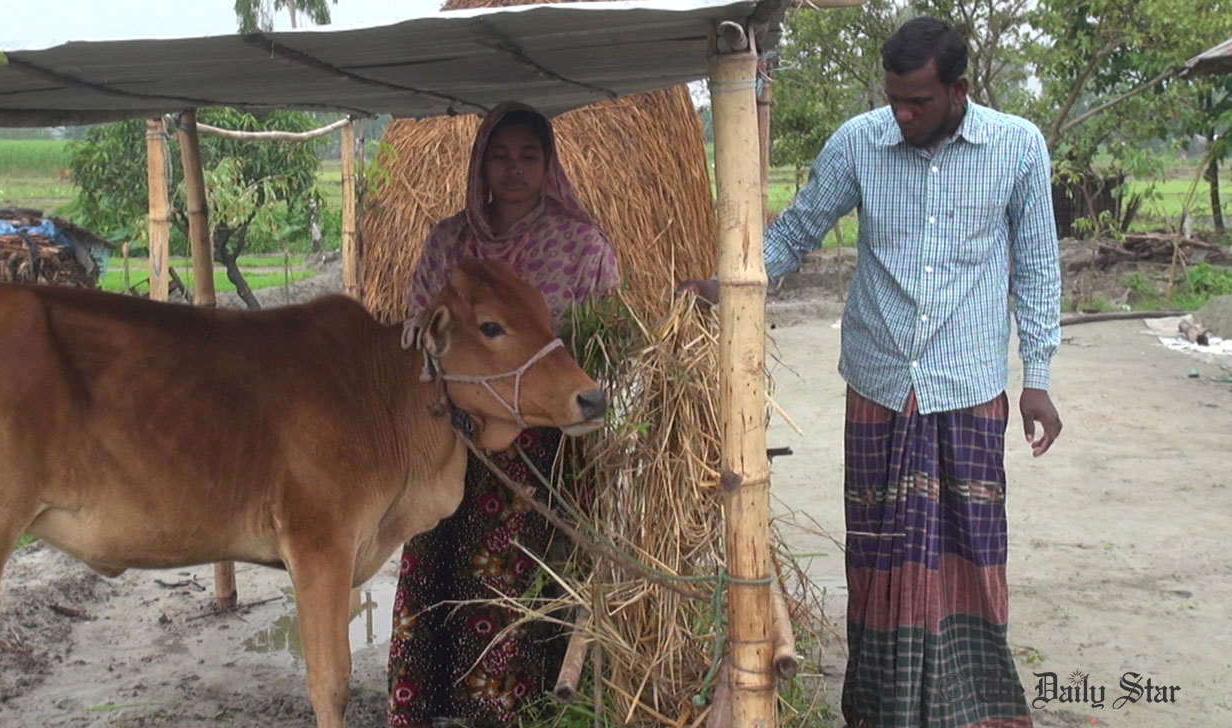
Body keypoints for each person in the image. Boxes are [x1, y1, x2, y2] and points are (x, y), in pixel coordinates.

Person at [684, 17, 1062, 728]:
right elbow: (796, 231)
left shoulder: (1017, 148)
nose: (903, 114)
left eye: (918, 101)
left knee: (971, 557)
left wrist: (1036, 375)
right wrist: (727, 287)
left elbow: (1038, 268)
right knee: (878, 558)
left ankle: (973, 708)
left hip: (969, 387)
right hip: (880, 386)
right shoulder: (858, 143)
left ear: (959, 90)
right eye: (894, 99)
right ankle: (885, 708)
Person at [387, 102, 620, 727]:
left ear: (549, 165)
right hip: (448, 439)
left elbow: (603, 343)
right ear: (480, 163)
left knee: (512, 580)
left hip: (538, 449)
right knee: (434, 569)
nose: (514, 169)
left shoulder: (579, 245)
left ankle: (510, 709)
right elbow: (417, 331)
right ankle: (429, 705)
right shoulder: (448, 244)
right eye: (500, 155)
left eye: (529, 156)